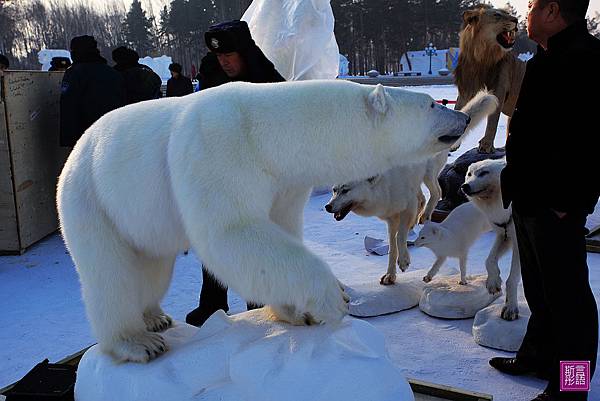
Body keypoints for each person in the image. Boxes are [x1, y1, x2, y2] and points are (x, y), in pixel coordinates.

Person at [492, 1, 599, 400]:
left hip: (558, 203)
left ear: (554, 11)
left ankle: (572, 389)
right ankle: (538, 356)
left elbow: (592, 143)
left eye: (534, 6)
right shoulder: (546, 57)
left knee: (570, 305)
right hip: (530, 196)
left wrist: (570, 202)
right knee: (540, 292)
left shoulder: (587, 61)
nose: (527, 14)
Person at [185, 20, 285, 327]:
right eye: (219, 56)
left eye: (230, 54)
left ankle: (258, 305)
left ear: (245, 52)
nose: (224, 61)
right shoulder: (211, 77)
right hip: (215, 175)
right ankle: (213, 303)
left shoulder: (269, 81)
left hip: (257, 178)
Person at [59, 35, 125, 147]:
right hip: (111, 132)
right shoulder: (113, 73)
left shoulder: (74, 73)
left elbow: (68, 105)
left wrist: (68, 139)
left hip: (84, 135)